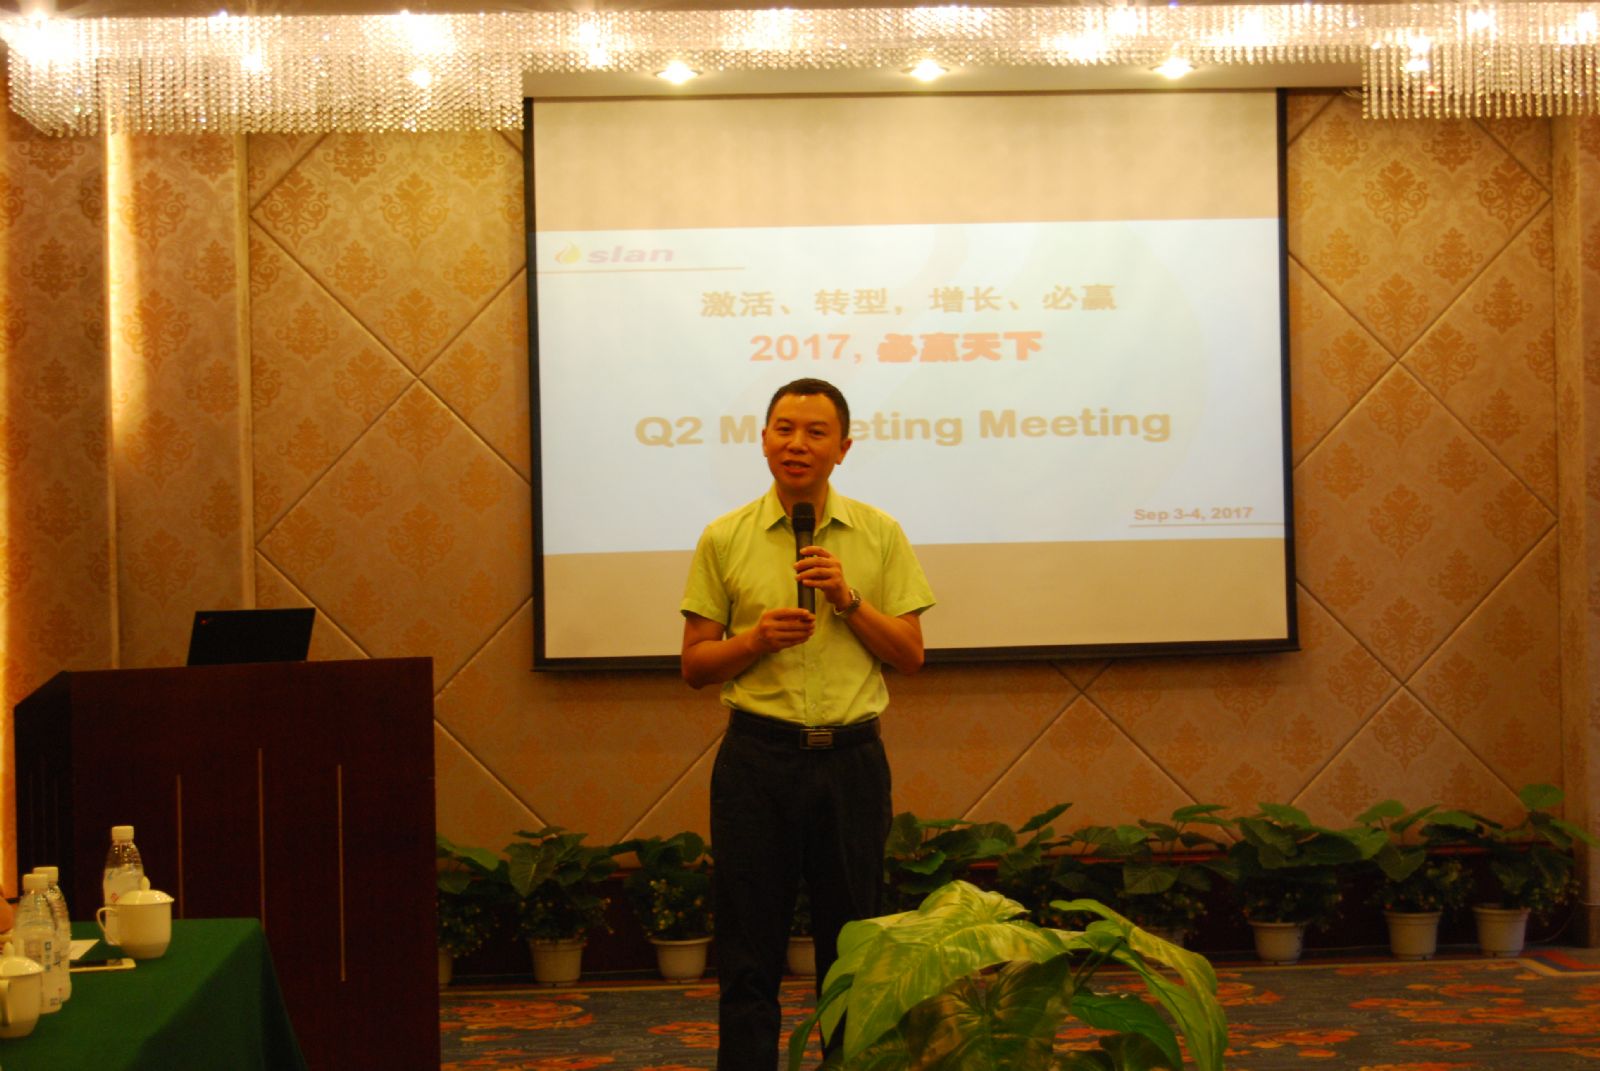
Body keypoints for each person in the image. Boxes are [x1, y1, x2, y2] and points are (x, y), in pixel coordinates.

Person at [679, 377, 935, 1069]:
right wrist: (755, 641)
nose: (797, 443)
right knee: (748, 950)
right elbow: (696, 664)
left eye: (816, 432)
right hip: (757, 761)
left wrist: (848, 600)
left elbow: (911, 655)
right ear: (762, 439)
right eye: (784, 429)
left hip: (851, 763)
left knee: (853, 952)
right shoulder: (724, 536)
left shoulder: (879, 533)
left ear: (843, 448)